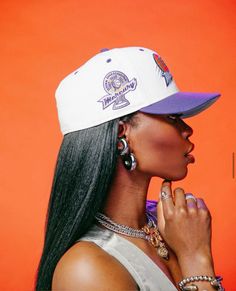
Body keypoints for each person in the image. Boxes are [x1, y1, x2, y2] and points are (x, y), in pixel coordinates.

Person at [35, 46, 224, 290]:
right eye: (172, 117)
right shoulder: (85, 270)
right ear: (122, 135)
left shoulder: (167, 225)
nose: (188, 129)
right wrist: (195, 259)